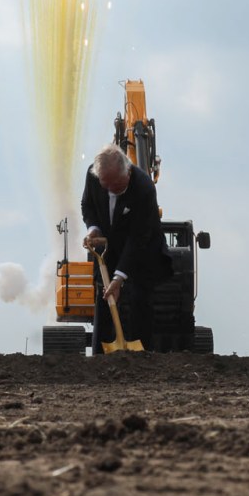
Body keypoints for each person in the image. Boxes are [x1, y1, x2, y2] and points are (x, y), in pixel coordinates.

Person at [80, 144, 171, 353]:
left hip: (143, 250)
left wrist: (119, 277)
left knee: (140, 297)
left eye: (116, 184)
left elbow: (138, 238)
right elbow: (87, 204)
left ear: (128, 172)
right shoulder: (93, 175)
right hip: (108, 248)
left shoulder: (145, 188)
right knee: (104, 297)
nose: (110, 190)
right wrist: (94, 228)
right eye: (106, 184)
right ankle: (100, 355)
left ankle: (141, 356)